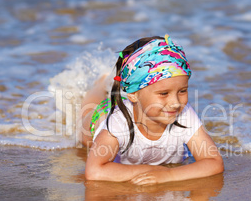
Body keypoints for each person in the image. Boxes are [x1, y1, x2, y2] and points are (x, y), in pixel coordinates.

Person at [81, 34, 223, 185]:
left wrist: (169, 175)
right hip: (106, 113)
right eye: (164, 93)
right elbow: (94, 171)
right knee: (86, 128)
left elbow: (214, 162)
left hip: (132, 104)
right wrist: (151, 170)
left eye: (182, 91)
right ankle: (101, 84)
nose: (175, 103)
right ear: (134, 94)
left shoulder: (184, 114)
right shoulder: (117, 122)